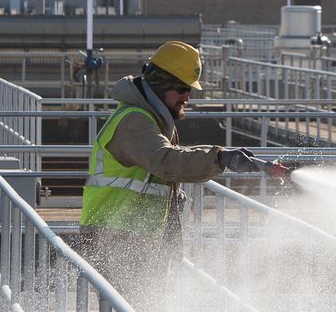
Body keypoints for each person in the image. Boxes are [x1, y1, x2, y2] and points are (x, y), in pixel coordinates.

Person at [79, 40, 288, 288]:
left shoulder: (154, 121)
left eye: (189, 90)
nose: (186, 96)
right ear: (161, 84)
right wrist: (220, 158)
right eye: (181, 89)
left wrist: (222, 157)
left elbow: (171, 155)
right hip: (114, 237)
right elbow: (167, 161)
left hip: (132, 237)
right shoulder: (135, 122)